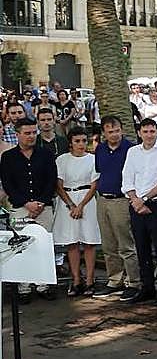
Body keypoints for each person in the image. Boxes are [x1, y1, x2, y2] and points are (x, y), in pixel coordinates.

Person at [122, 118, 157, 305]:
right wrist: (135, 200)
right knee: (141, 249)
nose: (149, 135)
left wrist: (144, 200)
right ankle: (147, 288)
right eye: (146, 131)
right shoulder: (132, 152)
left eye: (152, 131)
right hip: (135, 206)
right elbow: (127, 178)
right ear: (139, 133)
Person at [93, 116, 139, 301]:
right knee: (108, 244)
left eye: (117, 130)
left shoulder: (130, 150)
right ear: (104, 133)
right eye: (110, 131)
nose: (114, 134)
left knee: (126, 244)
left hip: (121, 200)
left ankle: (133, 281)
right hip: (103, 199)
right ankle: (114, 280)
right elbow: (99, 171)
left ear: (122, 130)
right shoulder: (101, 149)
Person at [53, 127, 99, 296]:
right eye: (77, 141)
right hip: (67, 200)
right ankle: (76, 280)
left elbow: (94, 185)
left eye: (84, 141)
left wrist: (81, 206)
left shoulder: (93, 159)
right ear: (70, 143)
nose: (81, 144)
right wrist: (71, 205)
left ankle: (90, 280)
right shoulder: (62, 160)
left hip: (87, 201)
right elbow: (58, 184)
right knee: (72, 242)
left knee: (89, 241)